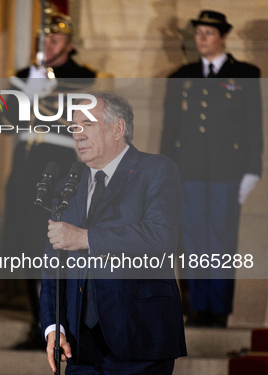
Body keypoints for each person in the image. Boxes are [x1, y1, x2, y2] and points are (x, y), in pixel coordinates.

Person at [40, 91, 187, 374]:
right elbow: (51, 266)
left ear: (118, 128)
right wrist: (53, 326)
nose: (78, 135)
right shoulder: (67, 188)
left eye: (88, 125)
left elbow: (159, 237)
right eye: (74, 127)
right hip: (79, 347)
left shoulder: (156, 170)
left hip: (140, 338)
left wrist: (85, 238)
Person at [1, 0, 106, 350]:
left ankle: (66, 321)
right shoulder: (23, 76)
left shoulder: (84, 76)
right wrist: (29, 87)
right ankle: (39, 322)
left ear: (70, 43)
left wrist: (45, 88)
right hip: (26, 173)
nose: (49, 45)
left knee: (59, 250)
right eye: (44, 39)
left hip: (64, 171)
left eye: (56, 39)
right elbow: (7, 122)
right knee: (28, 248)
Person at [160, 10, 263, 328]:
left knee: (220, 239)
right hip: (188, 170)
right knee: (191, 240)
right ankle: (197, 308)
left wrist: (252, 169)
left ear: (222, 37)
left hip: (226, 172)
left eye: (208, 33)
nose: (201, 39)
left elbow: (253, 124)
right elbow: (171, 128)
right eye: (198, 33)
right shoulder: (182, 76)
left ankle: (217, 310)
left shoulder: (245, 73)